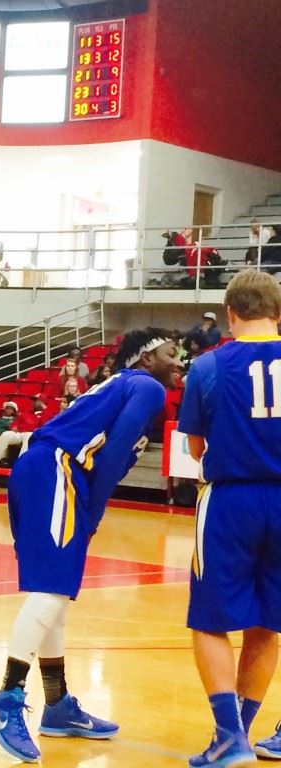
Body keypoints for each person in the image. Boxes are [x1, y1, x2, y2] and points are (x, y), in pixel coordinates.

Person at [0, 327, 179, 763]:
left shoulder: (122, 385)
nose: (179, 360)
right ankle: (7, 698)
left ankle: (57, 704)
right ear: (146, 358)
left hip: (42, 468)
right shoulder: (146, 386)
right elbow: (116, 451)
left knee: (57, 597)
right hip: (58, 470)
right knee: (51, 592)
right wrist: (95, 510)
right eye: (170, 352)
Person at [179, 270, 281, 767]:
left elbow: (196, 447)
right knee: (268, 622)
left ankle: (228, 736)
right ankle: (241, 731)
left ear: (230, 315)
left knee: (210, 619)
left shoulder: (208, 366)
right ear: (279, 314)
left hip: (231, 500)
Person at [0, 395, 50, 469]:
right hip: (19, 433)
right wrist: (14, 426)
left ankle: (21, 464)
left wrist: (44, 408)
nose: (33, 402)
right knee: (5, 434)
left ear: (41, 402)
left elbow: (44, 426)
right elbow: (16, 422)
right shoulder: (27, 412)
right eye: (33, 400)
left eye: (36, 401)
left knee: (29, 435)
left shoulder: (45, 414)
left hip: (31, 434)